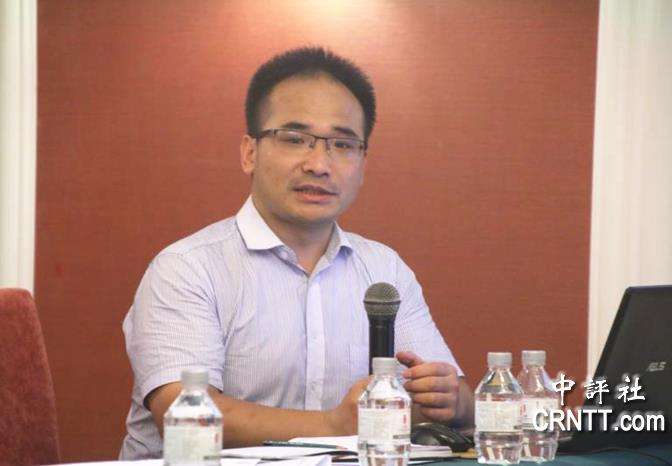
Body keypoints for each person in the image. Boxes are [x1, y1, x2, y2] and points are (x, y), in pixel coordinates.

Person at [120, 47, 474, 460]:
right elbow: (183, 414)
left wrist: (451, 401)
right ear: (249, 152)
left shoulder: (384, 270)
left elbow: (461, 398)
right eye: (294, 139)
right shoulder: (188, 268)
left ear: (363, 162)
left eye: (342, 144)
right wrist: (335, 426)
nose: (319, 164)